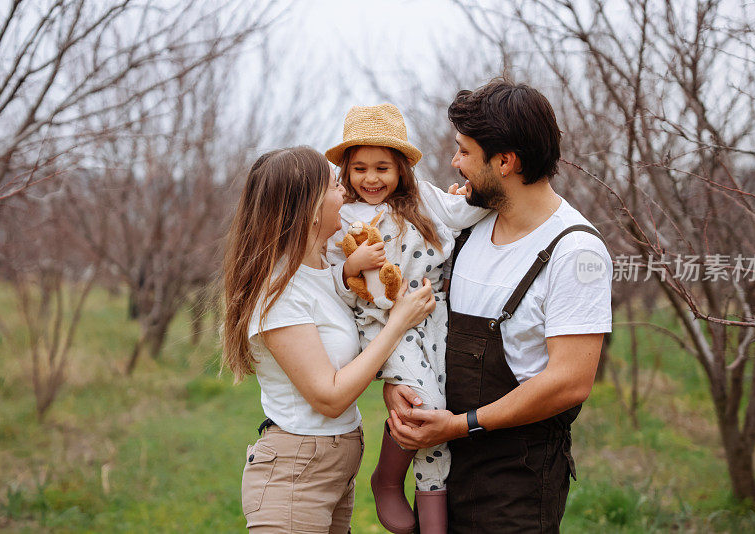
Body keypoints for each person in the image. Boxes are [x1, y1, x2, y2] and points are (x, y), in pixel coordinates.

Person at [384, 78, 613, 533]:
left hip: (516, 484)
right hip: (444, 469)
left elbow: (569, 381)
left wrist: (457, 425)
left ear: (505, 161)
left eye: (465, 152)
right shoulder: (465, 228)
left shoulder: (575, 252)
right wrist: (397, 388)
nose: (455, 163)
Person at [222, 146, 436, 533]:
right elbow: (329, 397)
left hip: (332, 469)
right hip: (295, 474)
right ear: (310, 207)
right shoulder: (279, 292)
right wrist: (398, 324)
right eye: (337, 186)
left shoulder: (323, 270)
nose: (346, 194)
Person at [325, 104, 490, 534]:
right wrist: (350, 267)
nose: (371, 179)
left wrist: (470, 193)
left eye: (382, 167)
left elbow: (469, 213)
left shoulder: (426, 200)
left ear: (401, 168)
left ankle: (432, 520)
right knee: (425, 406)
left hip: (434, 320)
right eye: (359, 168)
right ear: (346, 169)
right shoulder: (339, 214)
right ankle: (387, 480)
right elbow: (327, 281)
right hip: (384, 328)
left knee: (440, 415)